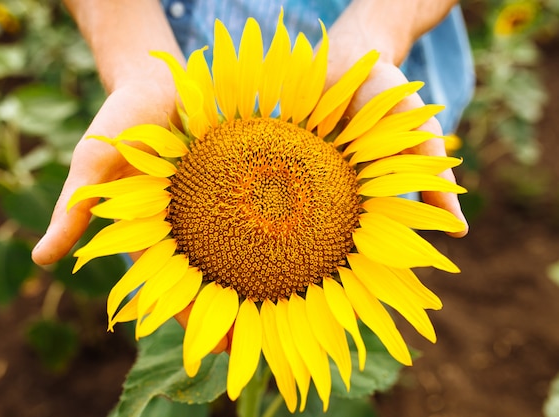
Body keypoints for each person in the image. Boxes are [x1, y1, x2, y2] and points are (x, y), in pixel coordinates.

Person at [32, 0, 473, 348]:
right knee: (169, 326)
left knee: (338, 330)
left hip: (360, 130)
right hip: (172, 125)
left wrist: (377, 30)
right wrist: (138, 66)